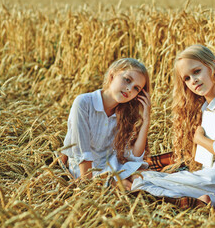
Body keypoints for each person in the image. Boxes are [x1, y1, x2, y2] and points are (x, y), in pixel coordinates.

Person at [131, 44, 215, 207]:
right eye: (186, 78)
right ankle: (199, 200)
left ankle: (191, 201)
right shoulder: (207, 107)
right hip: (213, 176)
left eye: (196, 72)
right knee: (141, 177)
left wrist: (199, 139)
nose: (193, 80)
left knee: (141, 182)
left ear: (213, 66)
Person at [59, 58, 151, 190]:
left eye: (136, 88)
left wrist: (146, 121)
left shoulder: (125, 113)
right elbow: (82, 152)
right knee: (126, 186)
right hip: (84, 169)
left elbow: (134, 156)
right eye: (127, 80)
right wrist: (88, 186)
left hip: (112, 165)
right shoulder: (84, 103)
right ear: (112, 75)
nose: (129, 89)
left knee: (143, 178)